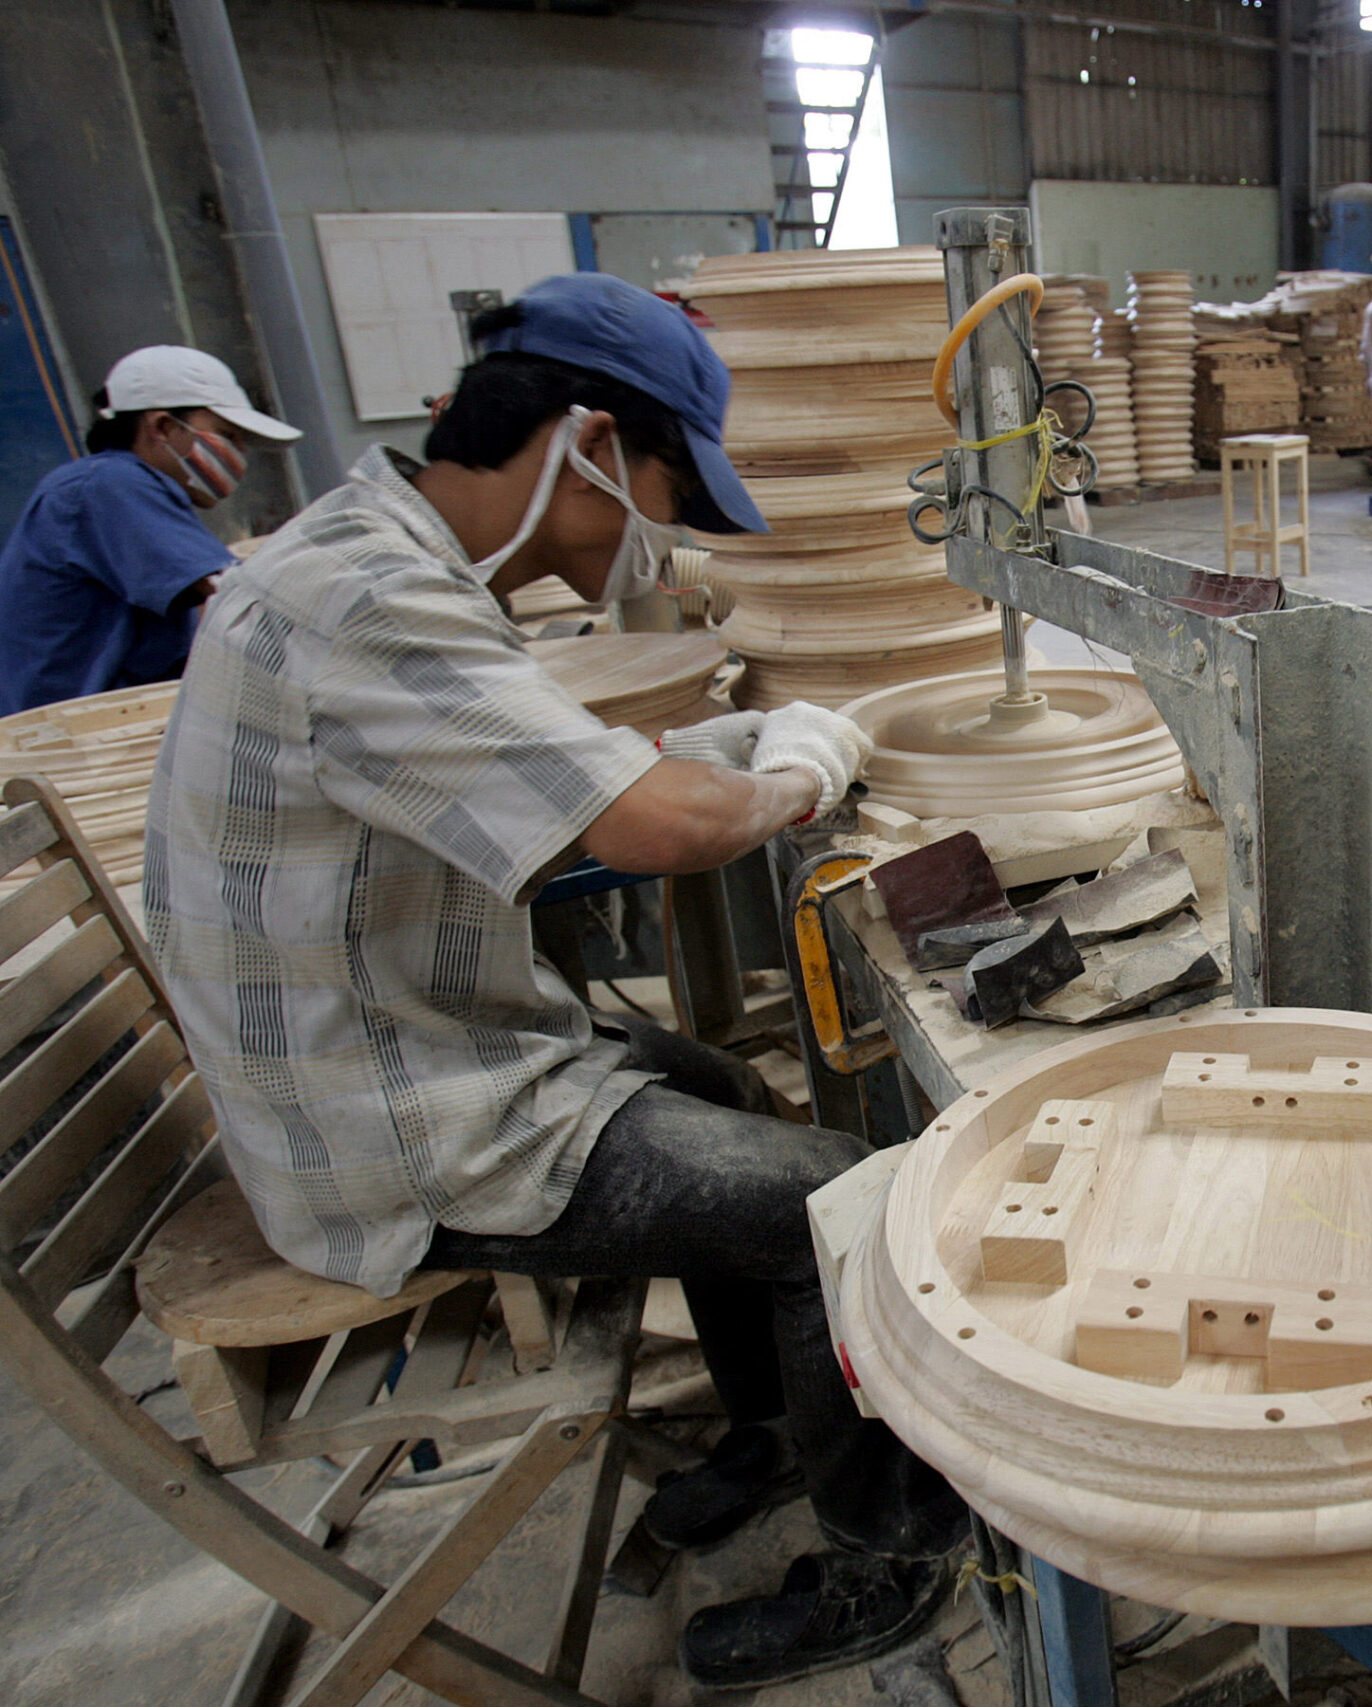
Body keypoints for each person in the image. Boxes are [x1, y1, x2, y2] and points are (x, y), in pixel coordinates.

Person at [143, 272, 966, 1689]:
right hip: (393, 1131)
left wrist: (719, 750)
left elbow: (535, 771)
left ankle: (774, 1433)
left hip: (394, 1056)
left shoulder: (359, 552)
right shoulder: (367, 602)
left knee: (717, 1087)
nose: (662, 537)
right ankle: (884, 1562)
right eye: (664, 492)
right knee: (834, 1199)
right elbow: (656, 829)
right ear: (588, 445)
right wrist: (799, 773)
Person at [0, 346, 302, 717]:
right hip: (76, 728)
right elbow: (232, 591)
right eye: (226, 435)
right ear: (162, 427)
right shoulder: (109, 483)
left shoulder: (117, 486)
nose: (238, 454)